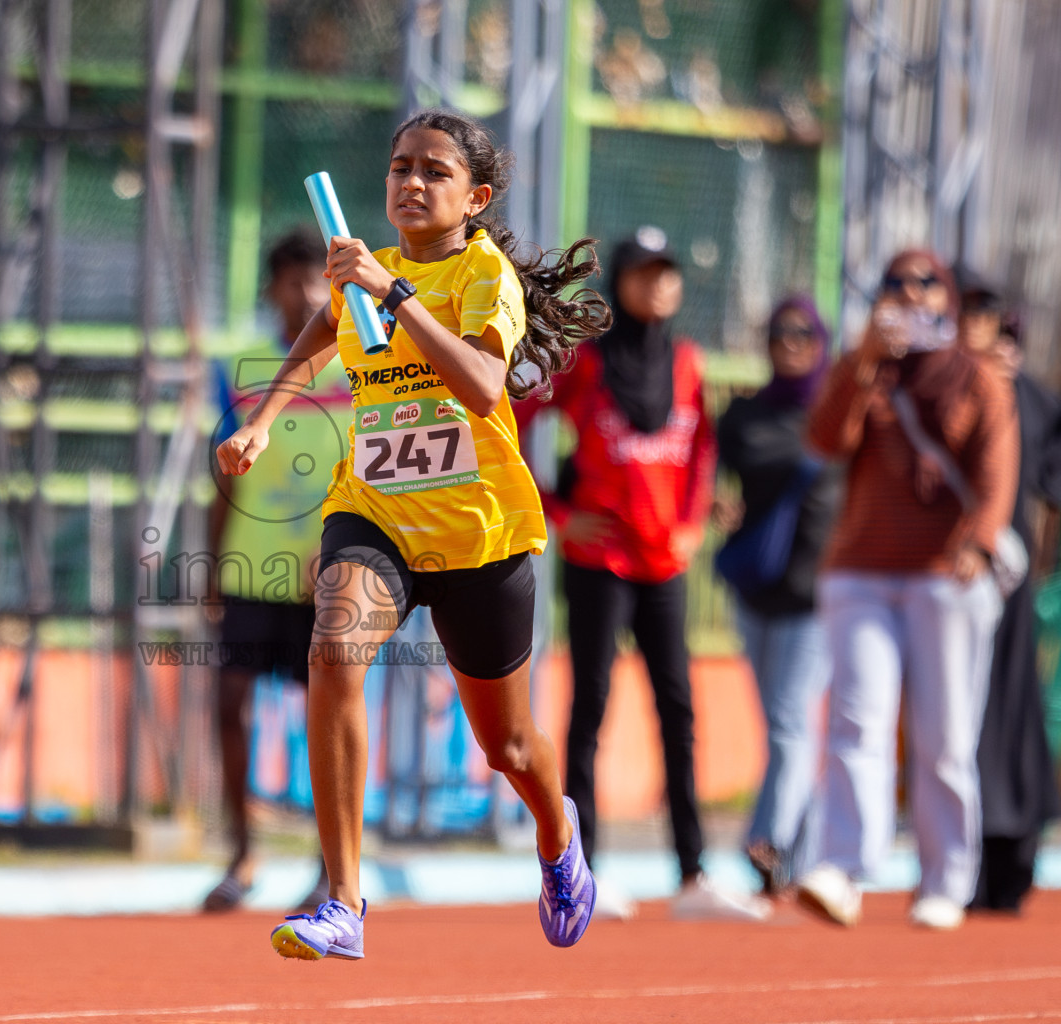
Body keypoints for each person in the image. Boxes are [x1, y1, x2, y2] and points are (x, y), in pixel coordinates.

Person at [217, 108, 609, 961]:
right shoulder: (363, 272)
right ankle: (345, 900)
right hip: (378, 512)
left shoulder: (482, 274)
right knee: (333, 650)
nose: (411, 183)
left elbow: (477, 386)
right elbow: (319, 334)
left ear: (476, 196)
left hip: (479, 534)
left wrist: (393, 297)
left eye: (435, 170)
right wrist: (264, 420)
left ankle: (557, 830)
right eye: (400, 168)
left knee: (506, 745)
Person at [515, 227, 768, 921]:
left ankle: (691, 875)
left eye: (668, 272)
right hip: (600, 564)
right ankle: (583, 864)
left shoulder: (686, 363)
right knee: (590, 707)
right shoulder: (588, 365)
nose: (657, 284)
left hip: (665, 566)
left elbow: (703, 446)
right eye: (643, 272)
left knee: (677, 709)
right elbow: (513, 419)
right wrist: (557, 511)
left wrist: (690, 522)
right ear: (620, 282)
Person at [795, 249, 1017, 931]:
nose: (908, 296)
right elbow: (824, 441)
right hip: (859, 572)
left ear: (945, 299)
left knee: (944, 734)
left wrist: (980, 541)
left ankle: (946, 878)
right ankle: (843, 869)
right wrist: (861, 359)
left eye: (924, 285)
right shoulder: (868, 370)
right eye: (894, 284)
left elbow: (996, 471)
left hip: (943, 579)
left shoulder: (977, 376)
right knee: (858, 720)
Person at [201, 231, 347, 913]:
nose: (306, 294)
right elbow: (221, 466)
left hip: (330, 574)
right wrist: (209, 562)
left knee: (328, 717)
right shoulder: (244, 365)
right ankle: (242, 852)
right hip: (249, 570)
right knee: (228, 705)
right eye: (292, 281)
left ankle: (330, 868)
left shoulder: (358, 362)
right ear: (271, 289)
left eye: (316, 281)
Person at [715, 296, 841, 895]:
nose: (790, 342)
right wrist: (717, 504)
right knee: (783, 728)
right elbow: (717, 473)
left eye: (803, 333)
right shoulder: (745, 415)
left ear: (821, 340)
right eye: (779, 332)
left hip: (817, 593)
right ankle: (804, 855)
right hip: (756, 586)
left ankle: (764, 841)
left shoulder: (837, 413)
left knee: (791, 723)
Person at [954, 277, 1061, 913]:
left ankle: (1013, 855)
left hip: (1009, 583)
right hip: (946, 574)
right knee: (955, 721)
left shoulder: (1034, 399)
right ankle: (960, 864)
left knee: (1009, 708)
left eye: (994, 321)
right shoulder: (934, 389)